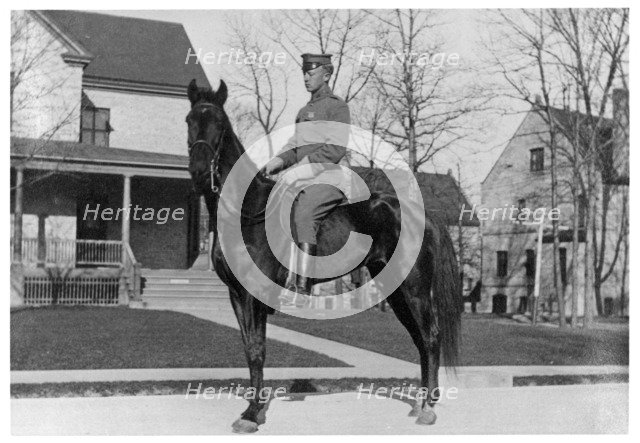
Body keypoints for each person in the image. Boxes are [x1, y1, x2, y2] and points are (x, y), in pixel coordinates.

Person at [261, 53, 351, 302]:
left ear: (327, 74)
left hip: (328, 178)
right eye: (304, 73)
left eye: (311, 73)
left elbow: (336, 148)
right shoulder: (304, 111)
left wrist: (303, 166)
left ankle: (303, 285)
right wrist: (276, 162)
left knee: (304, 212)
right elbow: (295, 145)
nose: (305, 78)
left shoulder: (337, 107)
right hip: (301, 178)